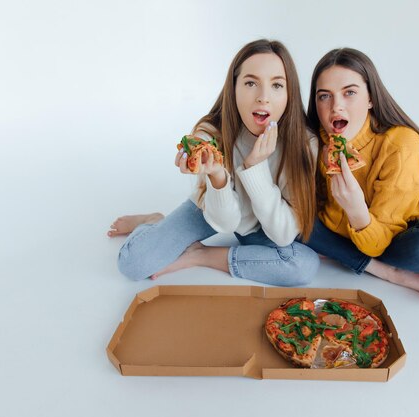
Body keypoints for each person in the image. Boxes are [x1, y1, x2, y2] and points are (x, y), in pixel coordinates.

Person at [107, 39, 319, 286]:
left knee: (303, 267)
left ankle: (201, 255)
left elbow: (283, 235)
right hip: (212, 209)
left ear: (289, 93)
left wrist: (255, 167)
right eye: (251, 83)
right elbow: (225, 222)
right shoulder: (210, 134)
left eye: (277, 85)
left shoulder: (305, 143)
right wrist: (217, 176)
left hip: (266, 224)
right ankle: (153, 221)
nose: (264, 97)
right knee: (133, 264)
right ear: (234, 88)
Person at [305, 48, 419, 301]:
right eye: (324, 96)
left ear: (370, 98)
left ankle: (351, 256)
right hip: (342, 234)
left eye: (349, 93)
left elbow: (379, 243)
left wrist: (356, 209)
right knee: (285, 213)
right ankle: (386, 272)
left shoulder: (401, 143)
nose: (336, 106)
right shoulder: (312, 141)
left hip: (396, 236)